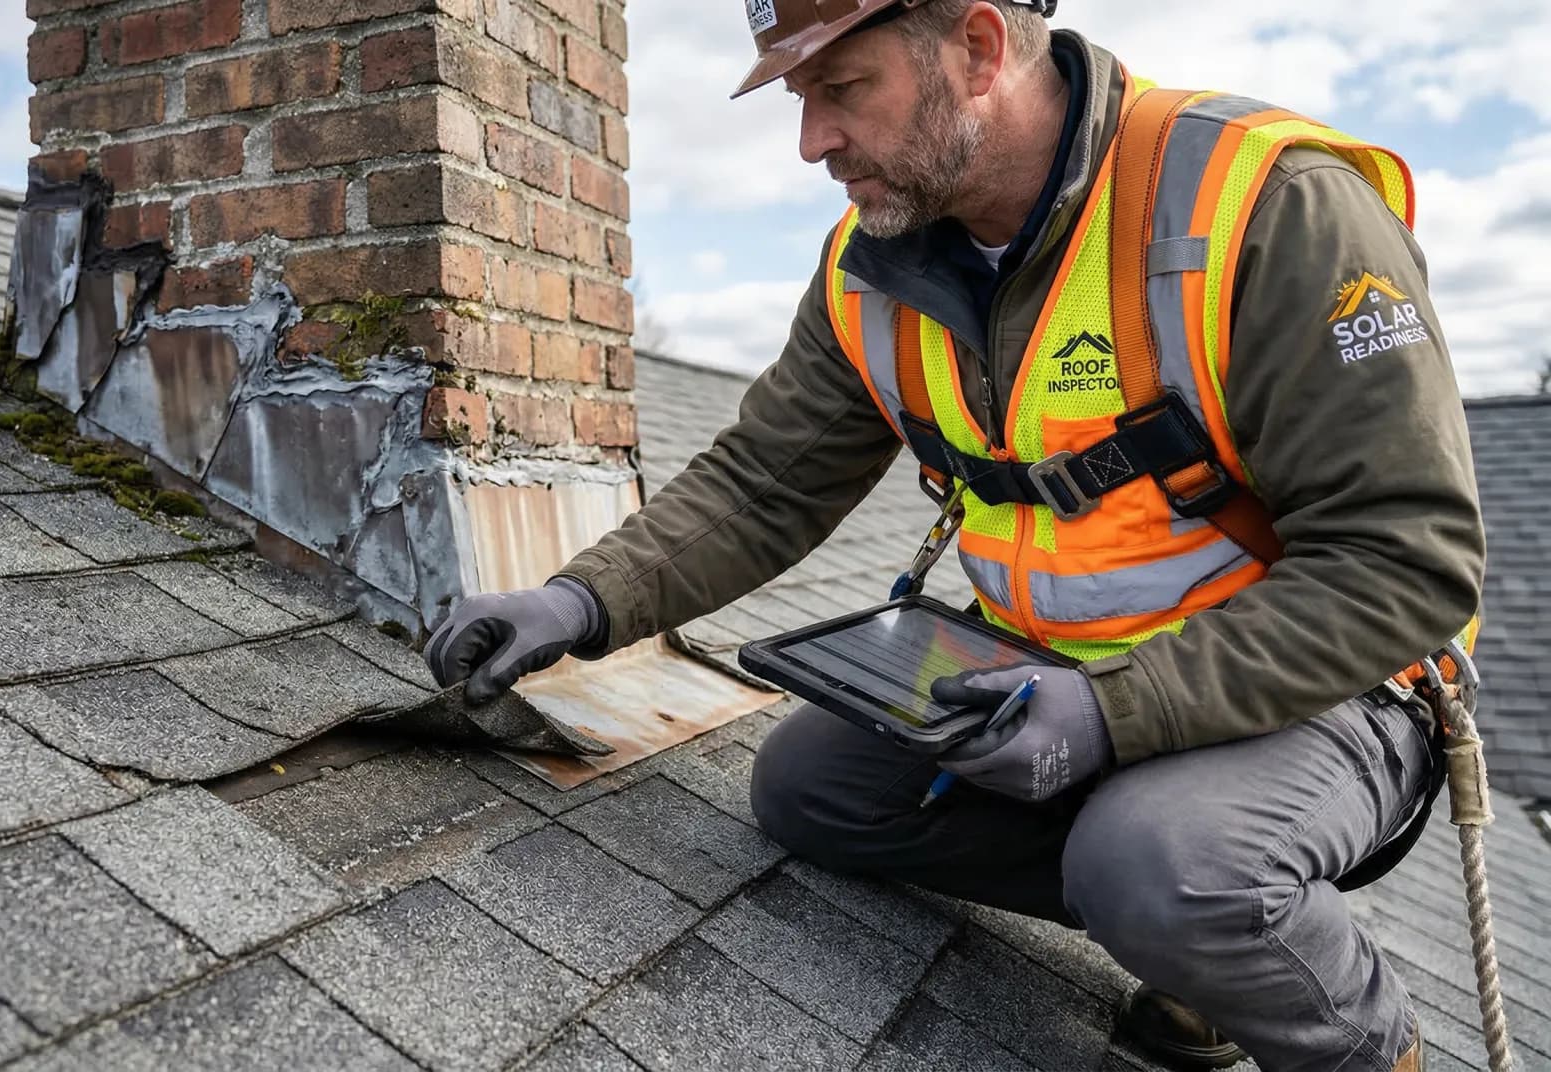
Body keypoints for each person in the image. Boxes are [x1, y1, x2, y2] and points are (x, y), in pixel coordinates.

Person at [423, 2, 1484, 1069]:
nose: (811, 143)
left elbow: (1406, 560)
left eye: (844, 89)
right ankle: (1183, 904)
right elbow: (762, 485)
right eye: (801, 100)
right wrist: (578, 601)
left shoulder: (1267, 206)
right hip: (1057, 671)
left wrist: (1115, 716)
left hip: (1317, 690)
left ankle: (1323, 1007)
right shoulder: (869, 270)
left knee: (1162, 867)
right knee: (810, 790)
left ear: (978, 48)